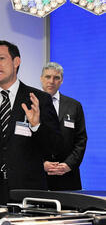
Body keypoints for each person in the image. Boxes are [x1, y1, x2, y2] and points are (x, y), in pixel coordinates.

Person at [0, 40, 63, 206]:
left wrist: (37, 126)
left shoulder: (38, 99)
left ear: (16, 62)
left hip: (28, 193)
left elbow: (55, 147)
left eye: (1, 58)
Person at [40, 62, 87, 190]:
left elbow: (81, 140)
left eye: (56, 78)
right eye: (48, 77)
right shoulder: (29, 105)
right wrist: (41, 164)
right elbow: (25, 142)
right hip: (39, 176)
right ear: (41, 78)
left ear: (61, 81)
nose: (51, 81)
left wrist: (68, 165)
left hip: (68, 176)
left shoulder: (74, 106)